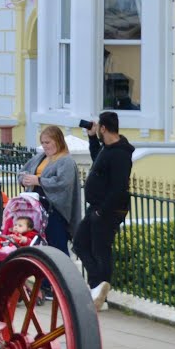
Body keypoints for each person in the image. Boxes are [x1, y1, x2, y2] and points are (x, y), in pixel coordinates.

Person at [73, 111, 134, 311]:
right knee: (80, 243)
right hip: (96, 208)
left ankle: (101, 294)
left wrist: (102, 212)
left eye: (98, 126)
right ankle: (97, 287)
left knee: (101, 250)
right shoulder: (107, 149)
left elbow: (119, 188)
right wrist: (91, 137)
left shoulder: (121, 154)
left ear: (104, 128)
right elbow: (96, 158)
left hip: (107, 210)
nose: (96, 128)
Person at [18, 125, 81, 256]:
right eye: (42, 143)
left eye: (48, 142)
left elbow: (63, 183)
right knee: (40, 248)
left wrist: (39, 181)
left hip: (54, 211)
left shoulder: (66, 161)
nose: (44, 146)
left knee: (57, 247)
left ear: (58, 141)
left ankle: (61, 275)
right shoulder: (40, 157)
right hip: (36, 209)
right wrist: (23, 179)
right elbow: (23, 171)